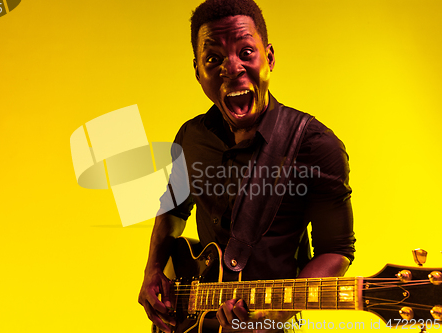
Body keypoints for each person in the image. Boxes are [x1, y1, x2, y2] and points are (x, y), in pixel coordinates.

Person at [138, 0, 355, 332]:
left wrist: (273, 314)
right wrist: (152, 270)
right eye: (213, 59)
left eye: (246, 52)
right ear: (197, 71)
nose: (232, 67)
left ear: (269, 57)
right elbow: (174, 209)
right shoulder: (191, 137)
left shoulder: (315, 146)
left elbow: (336, 251)